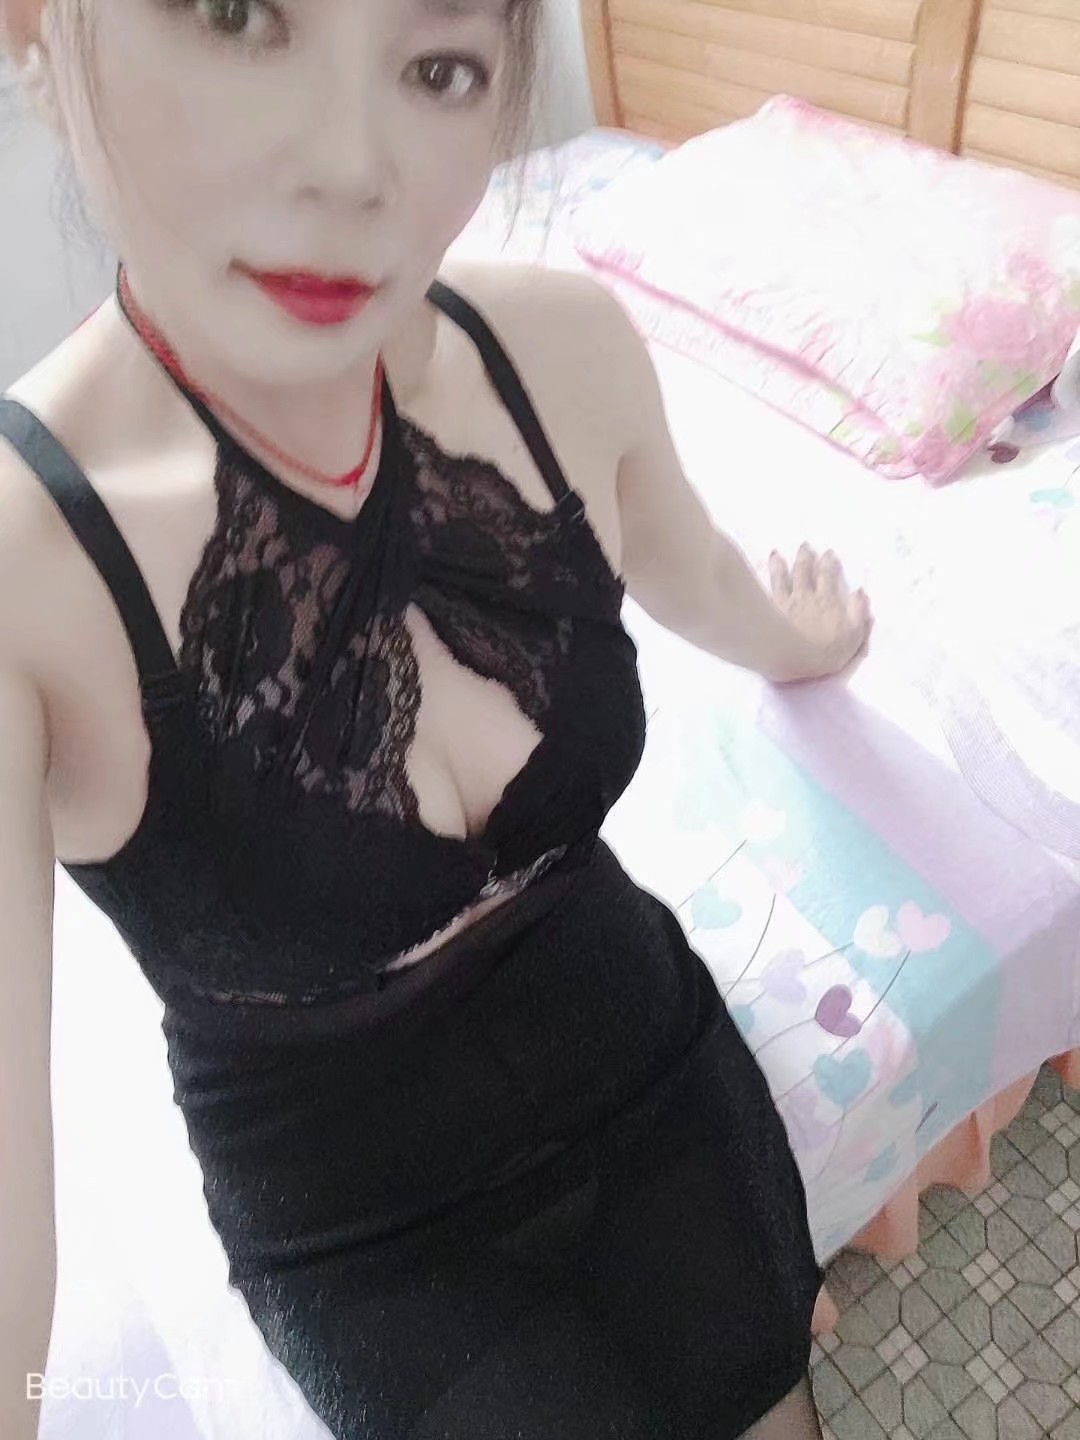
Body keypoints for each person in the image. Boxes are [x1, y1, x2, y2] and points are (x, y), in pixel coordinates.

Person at [0, 0, 872, 1435]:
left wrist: (803, 642)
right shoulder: (25, 570)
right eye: (237, 16)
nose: (356, 168)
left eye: (439, 65)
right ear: (37, 32)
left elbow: (696, 573)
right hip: (362, 1231)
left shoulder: (563, 350)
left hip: (639, 1047)